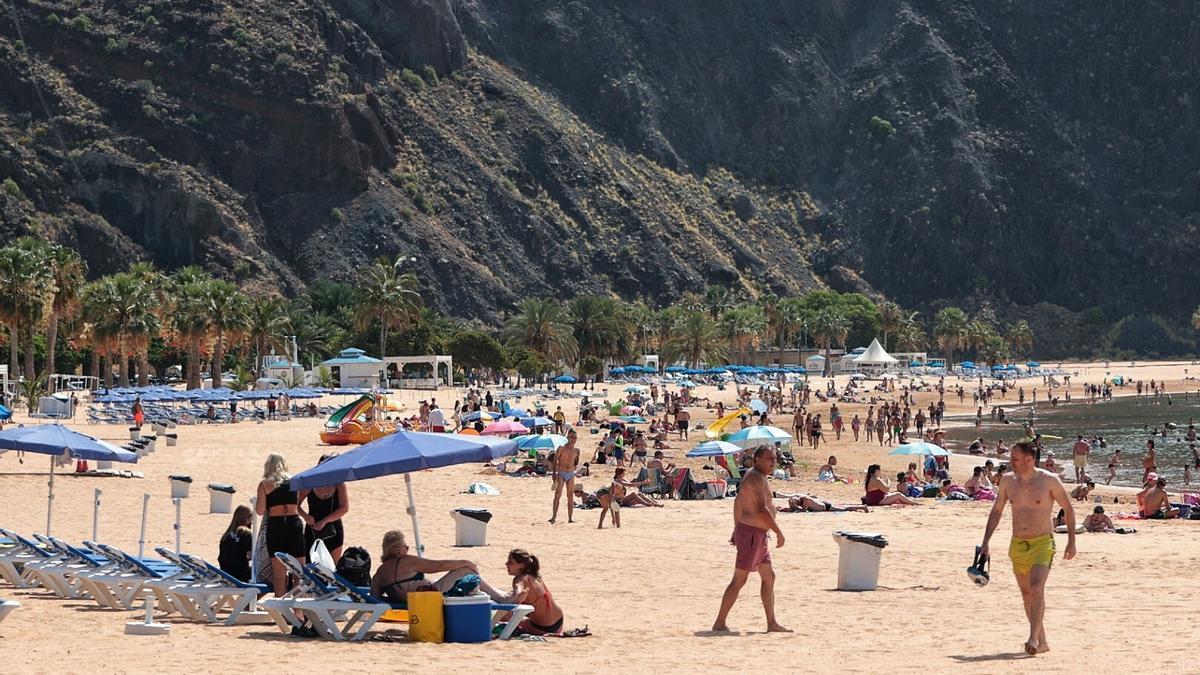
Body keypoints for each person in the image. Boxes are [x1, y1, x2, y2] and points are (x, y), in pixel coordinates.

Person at [979, 441, 1076, 656]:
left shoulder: (1049, 481)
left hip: (1042, 543)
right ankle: (1041, 641)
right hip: (1017, 544)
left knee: (1036, 587)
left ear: (1029, 460)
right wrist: (986, 541)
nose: (1010, 461)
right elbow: (996, 511)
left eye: (1015, 458)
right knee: (1026, 593)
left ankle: (1032, 637)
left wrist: (1071, 541)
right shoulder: (1007, 481)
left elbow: (1068, 509)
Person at [712, 445, 790, 633]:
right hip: (752, 535)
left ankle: (772, 623)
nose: (773, 462)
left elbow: (739, 501)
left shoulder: (755, 475)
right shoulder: (755, 477)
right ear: (757, 460)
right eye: (769, 459)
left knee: (769, 577)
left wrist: (736, 527)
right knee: (739, 580)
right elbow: (762, 509)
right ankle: (719, 622)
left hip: (757, 535)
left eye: (774, 458)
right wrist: (778, 531)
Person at [370, 530, 502, 601]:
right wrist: (466, 561)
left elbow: (374, 596)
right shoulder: (405, 561)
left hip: (408, 601)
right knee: (467, 570)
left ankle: (500, 595)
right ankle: (501, 598)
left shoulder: (380, 572)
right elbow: (439, 566)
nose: (408, 548)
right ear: (398, 549)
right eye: (405, 545)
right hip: (427, 597)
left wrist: (397, 597)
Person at [255, 453, 306, 596]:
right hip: (294, 524)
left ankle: (282, 611)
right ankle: (298, 612)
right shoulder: (295, 481)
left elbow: (259, 510)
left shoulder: (265, 484)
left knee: (279, 575)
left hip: (276, 525)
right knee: (299, 572)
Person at [487, 549, 565, 636]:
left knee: (505, 615)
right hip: (559, 621)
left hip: (541, 628)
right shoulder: (535, 577)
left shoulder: (519, 580)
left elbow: (518, 592)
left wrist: (518, 597)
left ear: (521, 565)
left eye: (511, 562)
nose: (506, 564)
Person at [298, 455, 350, 564]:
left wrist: (324, 521)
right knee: (310, 564)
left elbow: (344, 508)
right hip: (313, 529)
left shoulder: (339, 484)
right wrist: (305, 516)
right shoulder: (310, 483)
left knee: (332, 566)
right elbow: (296, 505)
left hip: (334, 529)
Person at [549, 429, 580, 524]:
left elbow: (576, 461)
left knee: (570, 496)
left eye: (575, 438)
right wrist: (554, 473)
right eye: (571, 437)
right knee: (558, 494)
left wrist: (572, 468)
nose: (573, 439)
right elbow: (555, 461)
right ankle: (554, 517)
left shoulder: (577, 450)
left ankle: (570, 518)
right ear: (567, 437)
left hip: (570, 473)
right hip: (561, 472)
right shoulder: (561, 448)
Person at [217, 505, 254, 583]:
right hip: (240, 574)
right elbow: (251, 555)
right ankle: (248, 595)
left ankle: (246, 595)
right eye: (251, 516)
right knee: (268, 577)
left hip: (225, 572)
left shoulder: (227, 533)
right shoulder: (246, 533)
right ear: (247, 518)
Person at [773, 491, 868, 513]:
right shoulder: (794, 498)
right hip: (820, 504)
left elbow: (803, 511)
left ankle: (863, 507)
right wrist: (783, 509)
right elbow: (793, 509)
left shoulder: (804, 499)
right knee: (844, 507)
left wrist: (795, 508)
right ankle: (861, 507)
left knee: (845, 509)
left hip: (825, 507)